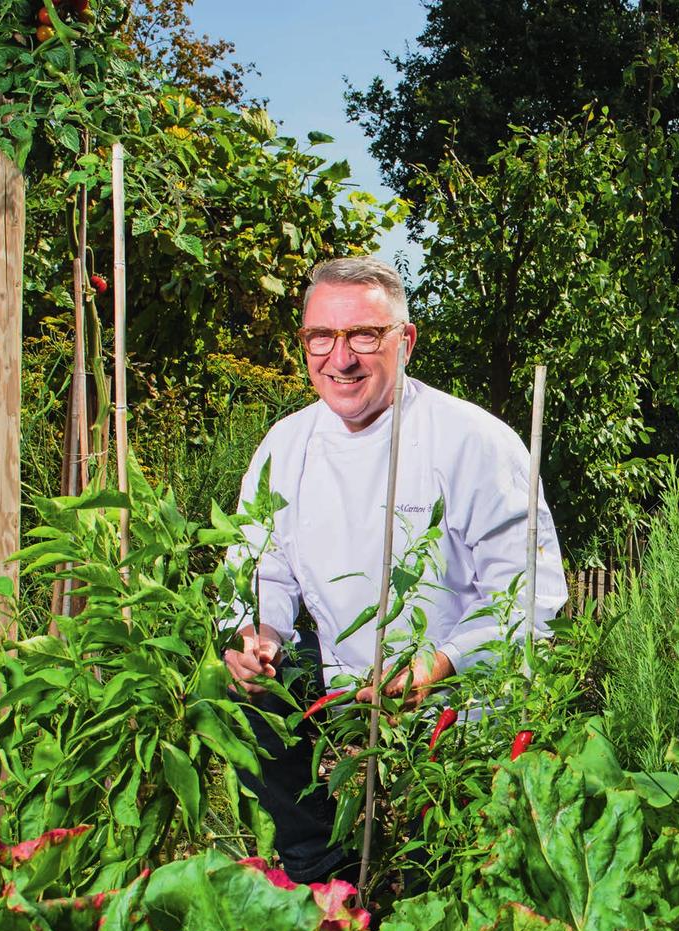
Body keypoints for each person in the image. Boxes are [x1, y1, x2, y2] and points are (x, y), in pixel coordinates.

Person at [224, 256, 567, 885]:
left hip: (457, 712)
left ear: (404, 341)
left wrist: (440, 664)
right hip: (347, 706)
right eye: (320, 337)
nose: (340, 357)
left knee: (450, 870)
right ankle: (323, 881)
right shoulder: (288, 443)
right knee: (245, 696)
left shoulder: (472, 442)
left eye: (364, 335)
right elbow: (258, 568)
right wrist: (257, 637)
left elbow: (531, 596)